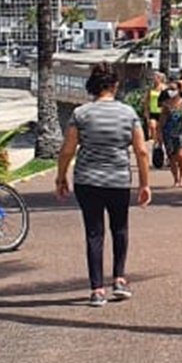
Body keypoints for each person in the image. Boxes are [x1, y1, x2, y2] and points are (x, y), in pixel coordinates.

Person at [55, 62, 152, 307]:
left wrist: (61, 177)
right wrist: (144, 184)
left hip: (87, 180)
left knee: (94, 233)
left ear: (93, 86)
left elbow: (67, 150)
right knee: (120, 229)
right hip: (118, 179)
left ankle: (97, 290)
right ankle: (119, 280)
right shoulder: (128, 113)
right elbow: (141, 151)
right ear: (115, 85)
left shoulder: (81, 113)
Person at [157, 85, 182, 188]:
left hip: (181, 132)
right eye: (170, 89)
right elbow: (161, 122)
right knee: (172, 158)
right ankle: (176, 179)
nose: (172, 92)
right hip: (168, 134)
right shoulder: (166, 105)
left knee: (181, 155)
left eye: (174, 89)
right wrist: (159, 135)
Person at [144, 70, 166, 142]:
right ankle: (155, 141)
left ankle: (161, 142)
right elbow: (147, 100)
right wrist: (146, 110)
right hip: (153, 111)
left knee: (160, 129)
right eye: (153, 78)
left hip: (161, 111)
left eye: (155, 77)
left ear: (159, 78)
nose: (153, 79)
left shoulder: (163, 88)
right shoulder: (151, 89)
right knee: (152, 126)